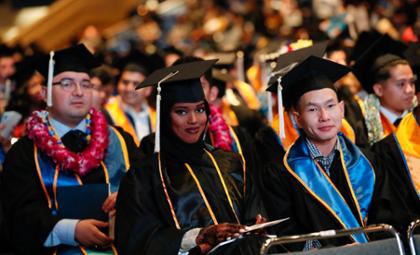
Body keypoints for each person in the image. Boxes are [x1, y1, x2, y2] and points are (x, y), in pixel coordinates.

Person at [1, 44, 141, 254]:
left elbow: (148, 189)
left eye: (86, 84)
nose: (78, 92)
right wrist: (69, 230)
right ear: (45, 92)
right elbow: (17, 215)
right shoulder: (25, 152)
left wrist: (127, 196)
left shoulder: (120, 140)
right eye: (67, 84)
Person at [115, 59, 265, 255]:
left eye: (200, 109)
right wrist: (196, 237)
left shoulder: (231, 163)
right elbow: (137, 241)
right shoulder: (142, 177)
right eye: (181, 111)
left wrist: (257, 226)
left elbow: (254, 215)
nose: (194, 120)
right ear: (166, 117)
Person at [260, 56, 376, 251]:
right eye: (313, 109)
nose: (324, 117)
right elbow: (285, 233)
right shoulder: (279, 174)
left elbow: (387, 218)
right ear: (297, 118)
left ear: (341, 109)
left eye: (330, 106)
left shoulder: (369, 162)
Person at [353, 34, 416, 144]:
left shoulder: (417, 118)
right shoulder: (364, 131)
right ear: (379, 90)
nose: (409, 90)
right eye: (401, 84)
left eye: (412, 82)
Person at [105, 63, 154, 145]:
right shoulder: (107, 112)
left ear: (148, 89)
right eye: (125, 82)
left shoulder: (156, 113)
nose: (129, 89)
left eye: (136, 84)